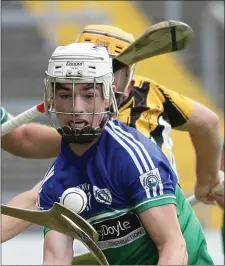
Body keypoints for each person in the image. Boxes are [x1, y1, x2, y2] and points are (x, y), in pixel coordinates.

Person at [1, 24, 222, 244]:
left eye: (110, 69)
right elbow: (25, 140)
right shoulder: (90, 118)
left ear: (129, 83)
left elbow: (208, 123)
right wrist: (208, 181)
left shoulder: (142, 103)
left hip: (155, 221)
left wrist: (207, 180)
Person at [36, 41, 213, 265]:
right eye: (65, 95)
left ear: (108, 97)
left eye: (88, 95)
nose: (76, 107)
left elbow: (173, 247)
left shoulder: (134, 157)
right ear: (51, 100)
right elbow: (56, 259)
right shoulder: (53, 186)